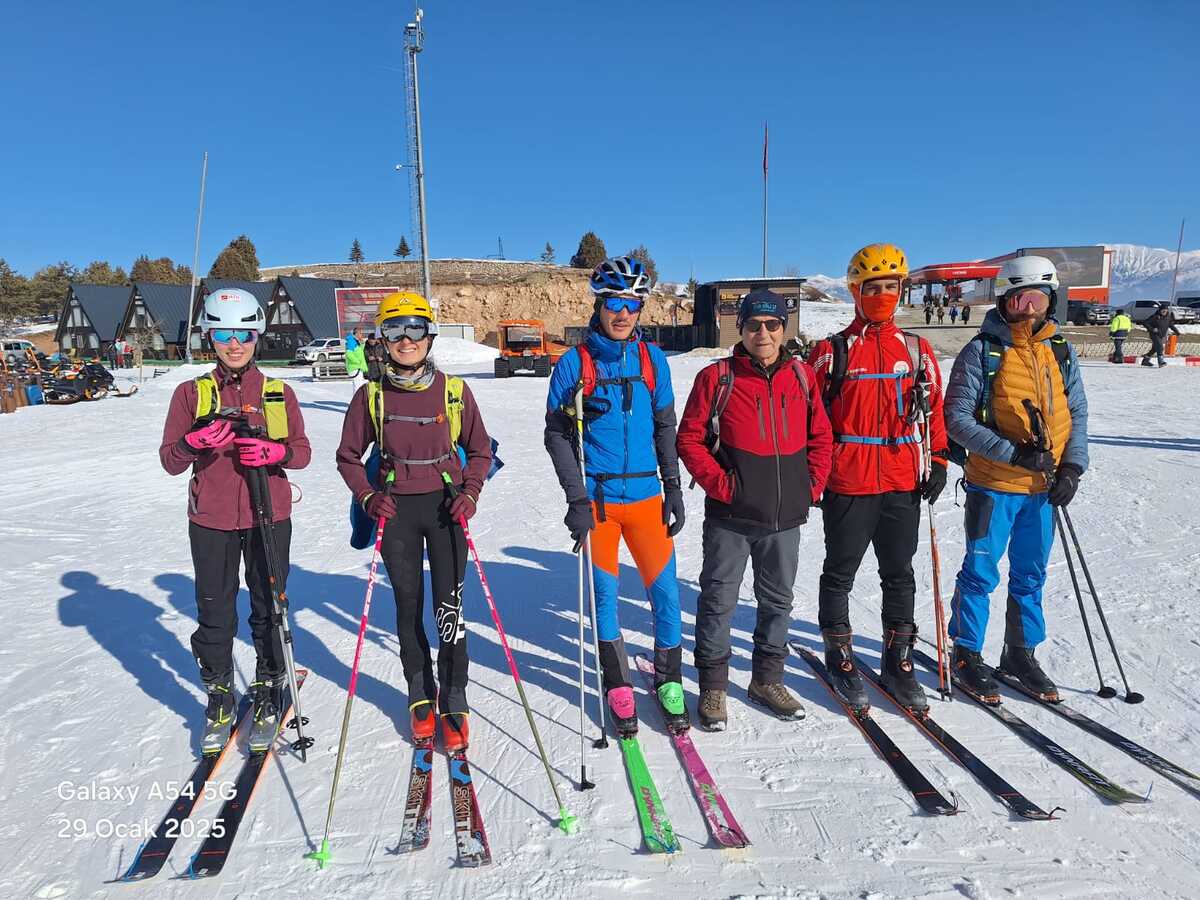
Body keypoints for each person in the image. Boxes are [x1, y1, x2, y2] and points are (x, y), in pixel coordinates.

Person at [335, 292, 492, 751]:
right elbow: (347, 457)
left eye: (415, 329)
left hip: (445, 509)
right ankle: (419, 694)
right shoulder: (371, 396)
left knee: (450, 609)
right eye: (394, 330)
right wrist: (367, 496)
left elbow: (480, 451)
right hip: (396, 513)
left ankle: (455, 693)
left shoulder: (454, 391)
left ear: (430, 335)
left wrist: (470, 492)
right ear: (382, 338)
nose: (406, 340)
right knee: (407, 607)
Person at [158, 288, 312, 754]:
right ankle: (220, 696)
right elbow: (169, 460)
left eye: (244, 333)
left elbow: (302, 453)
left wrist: (274, 451)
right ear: (210, 335)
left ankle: (268, 688)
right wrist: (193, 442)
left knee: (269, 607)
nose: (234, 343)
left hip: (270, 513)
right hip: (212, 519)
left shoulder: (276, 392)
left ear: (257, 335)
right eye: (224, 333)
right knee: (215, 612)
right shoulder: (191, 392)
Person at [544, 256, 688, 735]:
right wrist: (576, 500)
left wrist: (673, 489)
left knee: (665, 595)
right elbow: (558, 435)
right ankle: (618, 684)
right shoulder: (574, 363)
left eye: (631, 303)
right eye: (613, 304)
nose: (622, 313)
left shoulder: (654, 361)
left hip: (648, 498)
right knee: (604, 597)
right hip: (600, 502)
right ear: (599, 306)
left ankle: (669, 681)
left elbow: (665, 427)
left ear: (640, 307)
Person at [677, 289, 833, 728]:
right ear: (741, 328)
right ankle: (713, 687)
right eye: (753, 325)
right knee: (718, 600)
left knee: (777, 602)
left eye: (771, 325)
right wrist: (725, 486)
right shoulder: (718, 378)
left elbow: (821, 437)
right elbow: (689, 440)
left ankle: (767, 679)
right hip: (731, 517)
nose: (762, 333)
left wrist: (812, 487)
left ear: (784, 329)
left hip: (784, 519)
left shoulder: (802, 377)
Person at [808, 243, 949, 713]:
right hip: (849, 479)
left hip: (901, 478)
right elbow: (810, 416)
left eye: (892, 286)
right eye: (874, 287)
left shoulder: (917, 350)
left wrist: (941, 461)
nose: (884, 295)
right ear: (856, 290)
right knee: (840, 572)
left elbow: (935, 414)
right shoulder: (833, 352)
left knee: (899, 574)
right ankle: (841, 655)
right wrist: (813, 471)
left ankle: (898, 659)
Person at [943, 256, 1088, 703]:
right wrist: (1015, 454)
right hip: (994, 486)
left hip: (1042, 490)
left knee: (1030, 574)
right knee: (981, 572)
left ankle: (1020, 652)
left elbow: (1077, 413)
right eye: (1019, 299)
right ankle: (967, 653)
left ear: (1052, 301)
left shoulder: (1060, 349)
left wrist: (1072, 466)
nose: (1029, 309)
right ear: (1005, 301)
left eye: (1038, 299)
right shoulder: (982, 351)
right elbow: (957, 419)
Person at [1142, 304, 1180, 368]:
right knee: (1160, 347)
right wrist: (1152, 329)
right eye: (1163, 310)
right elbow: (1145, 323)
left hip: (1161, 335)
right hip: (1154, 334)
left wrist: (1177, 332)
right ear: (1160, 310)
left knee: (1154, 349)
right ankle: (1161, 362)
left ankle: (1145, 360)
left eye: (1165, 311)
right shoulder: (1155, 316)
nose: (1164, 312)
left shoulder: (1168, 317)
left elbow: (1171, 325)